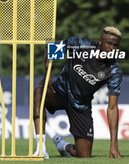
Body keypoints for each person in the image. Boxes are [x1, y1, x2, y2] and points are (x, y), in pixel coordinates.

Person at [33, 27, 123, 159]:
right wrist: (48, 75)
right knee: (39, 90)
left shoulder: (114, 71)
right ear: (100, 42)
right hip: (59, 92)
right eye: (109, 43)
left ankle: (63, 146)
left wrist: (114, 145)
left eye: (116, 45)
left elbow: (112, 107)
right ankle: (40, 148)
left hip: (81, 106)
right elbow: (52, 46)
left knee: (84, 155)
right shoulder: (81, 45)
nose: (112, 48)